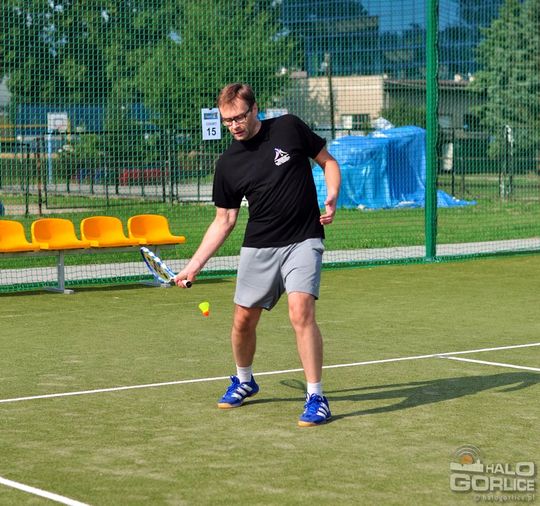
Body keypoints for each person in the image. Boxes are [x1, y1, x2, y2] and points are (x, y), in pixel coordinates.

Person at [174, 83, 341, 427]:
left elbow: (328, 161)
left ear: (254, 109)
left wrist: (333, 194)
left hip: (303, 239)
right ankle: (244, 380)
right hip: (259, 245)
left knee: (301, 312)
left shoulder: (288, 127)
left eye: (239, 117)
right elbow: (224, 220)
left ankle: (316, 397)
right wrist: (194, 265)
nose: (234, 125)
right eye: (227, 121)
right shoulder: (227, 164)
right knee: (242, 322)